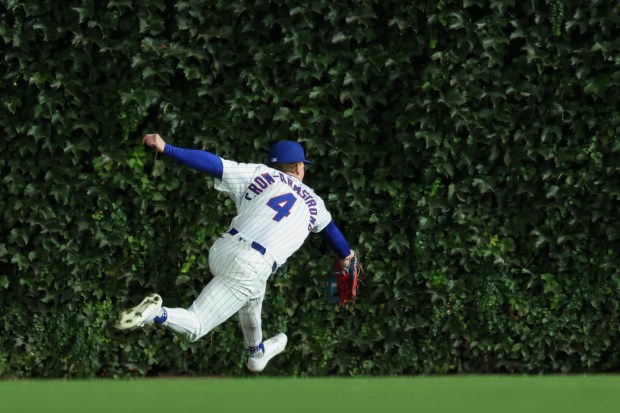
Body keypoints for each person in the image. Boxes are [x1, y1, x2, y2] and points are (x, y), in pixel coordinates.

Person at [115, 133, 354, 373]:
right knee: (196, 326)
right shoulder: (314, 202)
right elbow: (333, 235)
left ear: (274, 164)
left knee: (252, 301)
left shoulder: (260, 173)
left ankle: (257, 353)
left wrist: (167, 148)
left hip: (223, 250)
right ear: (300, 167)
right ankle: (156, 313)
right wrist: (346, 256)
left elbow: (212, 164)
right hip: (250, 266)